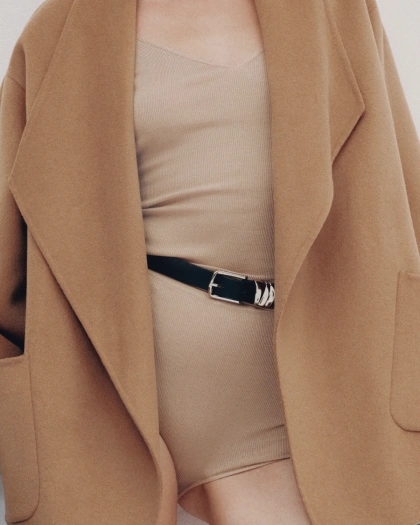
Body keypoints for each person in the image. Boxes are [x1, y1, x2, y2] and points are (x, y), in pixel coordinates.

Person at [1, 0, 420, 524]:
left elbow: (401, 193)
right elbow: (10, 267)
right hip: (125, 405)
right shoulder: (61, 30)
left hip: (330, 372)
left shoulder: (336, 10)